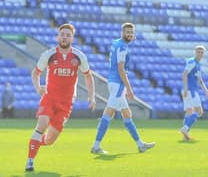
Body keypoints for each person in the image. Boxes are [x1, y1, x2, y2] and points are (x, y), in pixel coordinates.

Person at [25, 23, 96, 171]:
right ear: (58, 37)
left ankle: (36, 142)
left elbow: (89, 76)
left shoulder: (79, 56)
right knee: (42, 124)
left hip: (66, 103)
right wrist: (38, 88)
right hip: (49, 98)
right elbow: (35, 73)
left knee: (50, 140)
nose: (64, 37)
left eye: (68, 35)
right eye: (62, 34)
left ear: (72, 38)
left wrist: (92, 97)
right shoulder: (49, 54)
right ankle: (30, 161)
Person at [90, 22, 155, 154]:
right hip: (118, 84)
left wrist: (128, 39)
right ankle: (96, 146)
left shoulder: (117, 43)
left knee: (127, 114)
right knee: (109, 113)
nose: (130, 34)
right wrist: (129, 89)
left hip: (113, 82)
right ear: (122, 32)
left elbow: (118, 52)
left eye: (131, 33)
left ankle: (140, 144)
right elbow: (121, 68)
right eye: (127, 32)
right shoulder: (123, 47)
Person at [180, 45, 207, 140]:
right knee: (199, 112)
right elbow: (184, 75)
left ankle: (185, 136)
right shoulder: (192, 62)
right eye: (198, 52)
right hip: (191, 91)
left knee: (189, 112)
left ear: (204, 54)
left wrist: (206, 91)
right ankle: (185, 128)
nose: (200, 53)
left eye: (201, 52)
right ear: (195, 52)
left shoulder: (198, 65)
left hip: (191, 90)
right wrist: (186, 88)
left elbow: (200, 80)